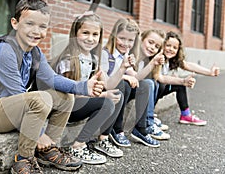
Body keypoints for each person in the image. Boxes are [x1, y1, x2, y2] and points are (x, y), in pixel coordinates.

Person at [0, 0, 105, 174]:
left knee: (65, 97)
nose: (36, 31)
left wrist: (83, 87)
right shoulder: (4, 51)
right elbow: (17, 94)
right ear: (15, 23)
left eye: (42, 26)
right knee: (40, 98)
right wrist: (39, 134)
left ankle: (47, 151)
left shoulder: (34, 51)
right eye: (29, 24)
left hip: (12, 107)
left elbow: (52, 79)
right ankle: (23, 160)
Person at [51, 12, 129, 164]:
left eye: (95, 34)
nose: (90, 38)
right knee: (106, 102)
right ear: (75, 33)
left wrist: (122, 69)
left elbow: (108, 85)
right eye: (85, 33)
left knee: (117, 94)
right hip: (66, 108)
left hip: (82, 103)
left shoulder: (93, 59)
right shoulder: (69, 60)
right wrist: (101, 96)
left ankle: (103, 139)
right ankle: (78, 146)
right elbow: (69, 97)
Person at [154, 31, 220, 126]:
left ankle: (186, 115)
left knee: (179, 86)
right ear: (162, 45)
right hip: (149, 89)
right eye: (168, 45)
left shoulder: (171, 60)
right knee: (159, 84)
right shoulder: (158, 57)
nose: (171, 49)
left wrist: (209, 72)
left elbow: (189, 65)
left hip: (158, 88)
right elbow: (159, 78)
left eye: (175, 47)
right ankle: (149, 116)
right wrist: (181, 81)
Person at [101, 18, 139, 147]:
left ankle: (144, 126)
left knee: (145, 85)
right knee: (123, 84)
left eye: (130, 40)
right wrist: (125, 76)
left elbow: (136, 76)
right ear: (114, 36)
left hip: (120, 90)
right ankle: (117, 129)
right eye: (122, 38)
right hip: (104, 88)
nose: (125, 43)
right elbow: (106, 79)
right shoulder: (105, 54)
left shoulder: (125, 56)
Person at [128, 29, 171, 141]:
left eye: (156, 46)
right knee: (149, 83)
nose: (152, 47)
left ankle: (150, 120)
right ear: (141, 39)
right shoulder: (131, 56)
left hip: (137, 88)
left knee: (155, 83)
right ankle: (147, 123)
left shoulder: (147, 60)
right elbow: (135, 78)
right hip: (125, 88)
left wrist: (183, 81)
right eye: (150, 42)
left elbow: (160, 78)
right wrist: (152, 64)